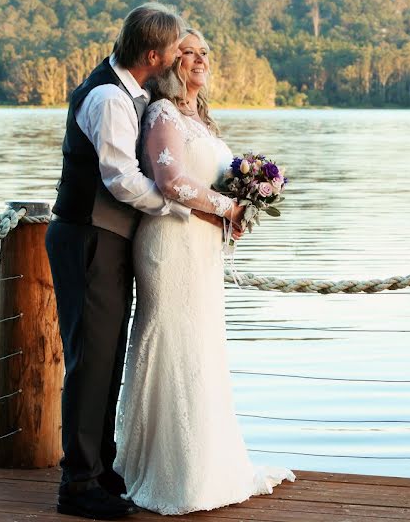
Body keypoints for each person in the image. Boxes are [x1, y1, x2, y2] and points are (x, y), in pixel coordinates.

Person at [113, 28, 295, 515]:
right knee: (172, 339)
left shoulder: (204, 122)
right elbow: (170, 180)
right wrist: (227, 207)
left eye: (203, 53)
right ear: (170, 63)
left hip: (203, 248)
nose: (197, 59)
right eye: (187, 52)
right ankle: (165, 470)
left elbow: (207, 177)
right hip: (168, 245)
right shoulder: (162, 113)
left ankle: (209, 463)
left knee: (202, 344)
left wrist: (242, 205)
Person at [45, 2, 188, 520]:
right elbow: (121, 179)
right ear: (153, 53)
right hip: (88, 237)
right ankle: (77, 486)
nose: (179, 54)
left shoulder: (133, 92)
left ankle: (100, 471)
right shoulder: (108, 97)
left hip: (104, 239)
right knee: (89, 363)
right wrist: (177, 204)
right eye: (175, 47)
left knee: (104, 361)